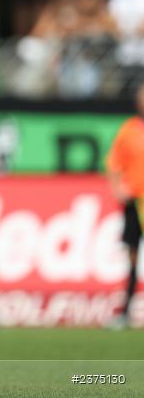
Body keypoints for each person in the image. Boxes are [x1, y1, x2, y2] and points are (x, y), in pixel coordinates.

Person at [104, 84, 144, 328]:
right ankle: (125, 312)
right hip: (133, 203)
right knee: (131, 256)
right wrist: (118, 189)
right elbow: (113, 163)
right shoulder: (128, 130)